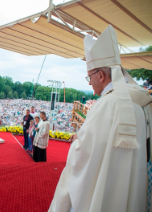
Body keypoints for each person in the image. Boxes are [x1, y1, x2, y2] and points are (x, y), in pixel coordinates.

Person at [49, 25, 151, 212]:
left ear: (101, 75)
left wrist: (76, 142)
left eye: (89, 77)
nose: (90, 83)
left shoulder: (107, 104)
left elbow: (84, 157)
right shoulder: (142, 102)